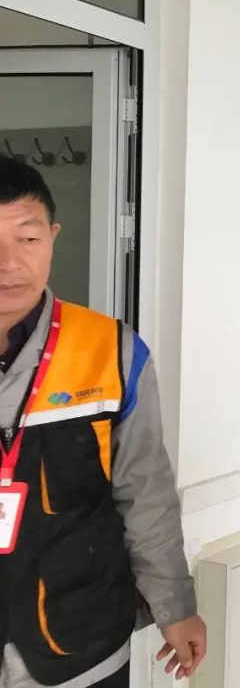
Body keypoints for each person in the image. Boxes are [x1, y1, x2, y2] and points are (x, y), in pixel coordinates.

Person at [0, 158, 205, 687]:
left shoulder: (111, 352)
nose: (9, 263)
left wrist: (174, 605)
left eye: (27, 238)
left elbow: (146, 493)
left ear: (53, 236)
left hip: (80, 643)